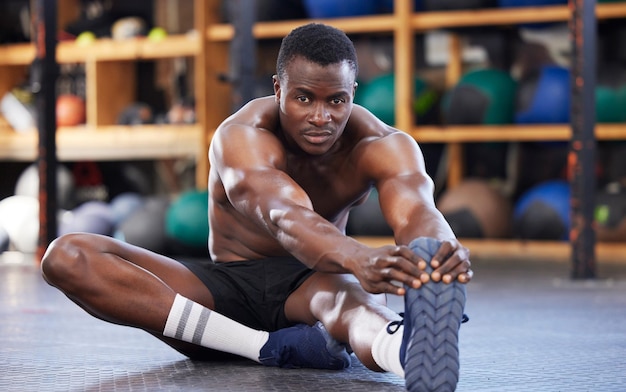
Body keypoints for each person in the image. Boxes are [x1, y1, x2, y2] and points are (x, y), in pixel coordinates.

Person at [41, 23, 472, 391]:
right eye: (304, 98)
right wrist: (360, 257)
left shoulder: (382, 145)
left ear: (352, 94)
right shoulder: (241, 136)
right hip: (224, 287)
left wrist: (436, 257)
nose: (321, 116)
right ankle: (262, 348)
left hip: (310, 282)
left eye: (336, 101)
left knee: (351, 308)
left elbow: (417, 210)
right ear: (278, 88)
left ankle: (408, 351)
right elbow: (285, 216)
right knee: (68, 256)